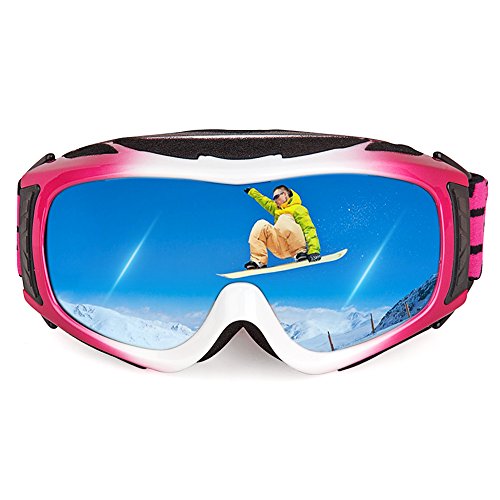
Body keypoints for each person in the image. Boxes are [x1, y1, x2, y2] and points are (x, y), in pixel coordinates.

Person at [243, 184, 321, 270]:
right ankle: (259, 261)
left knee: (284, 218)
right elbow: (265, 201)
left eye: (276, 197)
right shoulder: (276, 209)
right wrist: (252, 192)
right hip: (279, 246)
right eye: (274, 199)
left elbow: (309, 229)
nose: (275, 201)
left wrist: (314, 251)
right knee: (261, 224)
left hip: (295, 245)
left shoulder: (298, 209)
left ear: (285, 194)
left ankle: (299, 253)